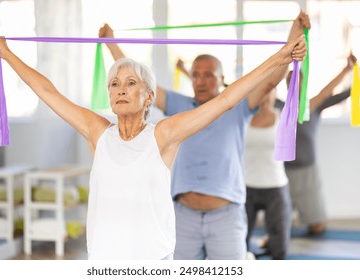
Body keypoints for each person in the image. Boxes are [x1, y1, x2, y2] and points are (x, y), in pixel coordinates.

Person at [99, 11, 310, 260]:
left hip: (226, 217)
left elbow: (269, 81)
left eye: (208, 74)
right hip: (183, 216)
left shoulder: (238, 105)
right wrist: (111, 43)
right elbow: (138, 82)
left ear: (222, 79)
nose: (200, 80)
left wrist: (295, 33)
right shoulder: (179, 105)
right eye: (196, 74)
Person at [277, 52, 357, 235]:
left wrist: (347, 70)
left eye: (299, 81)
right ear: (287, 84)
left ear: (303, 84)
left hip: (307, 171)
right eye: (291, 81)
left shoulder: (314, 106)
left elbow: (335, 93)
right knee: (280, 224)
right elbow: (253, 93)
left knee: (317, 227)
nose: (295, 85)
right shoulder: (279, 107)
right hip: (283, 170)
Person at [244, 87, 292, 260]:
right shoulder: (243, 117)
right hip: (246, 186)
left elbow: (308, 102)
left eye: (269, 91)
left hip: (276, 188)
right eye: (261, 91)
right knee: (239, 244)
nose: (265, 96)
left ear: (275, 94)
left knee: (280, 249)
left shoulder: (284, 117)